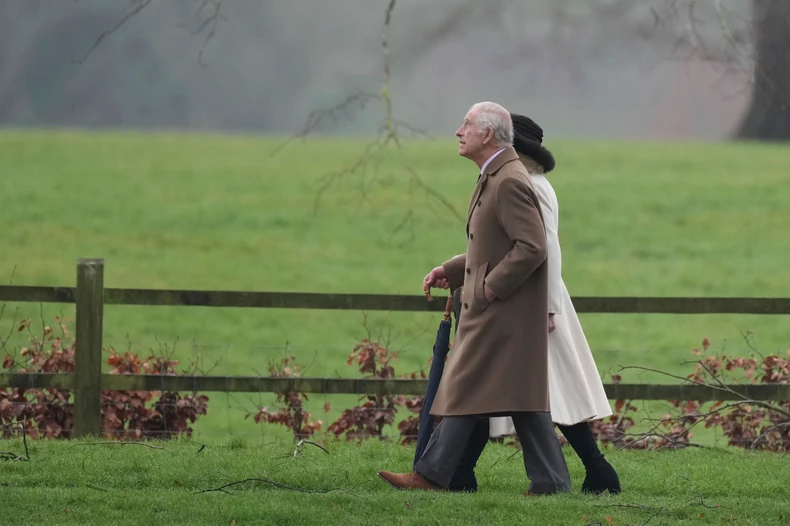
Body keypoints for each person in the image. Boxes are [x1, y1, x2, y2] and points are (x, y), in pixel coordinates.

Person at [377, 101, 571, 496]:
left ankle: (430, 476)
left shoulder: (509, 181)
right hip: (497, 310)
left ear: (487, 134)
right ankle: (551, 482)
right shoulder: (495, 175)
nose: (458, 131)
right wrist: (451, 270)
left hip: (502, 311)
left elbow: (533, 247)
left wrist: (489, 287)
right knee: (520, 397)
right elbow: (492, 246)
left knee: (468, 387)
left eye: (466, 124)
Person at [447, 114, 621, 495]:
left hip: (536, 304)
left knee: (538, 394)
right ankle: (462, 472)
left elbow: (547, 250)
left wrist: (549, 308)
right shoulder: (527, 183)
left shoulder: (532, 187)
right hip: (531, 301)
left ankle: (594, 470)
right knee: (518, 390)